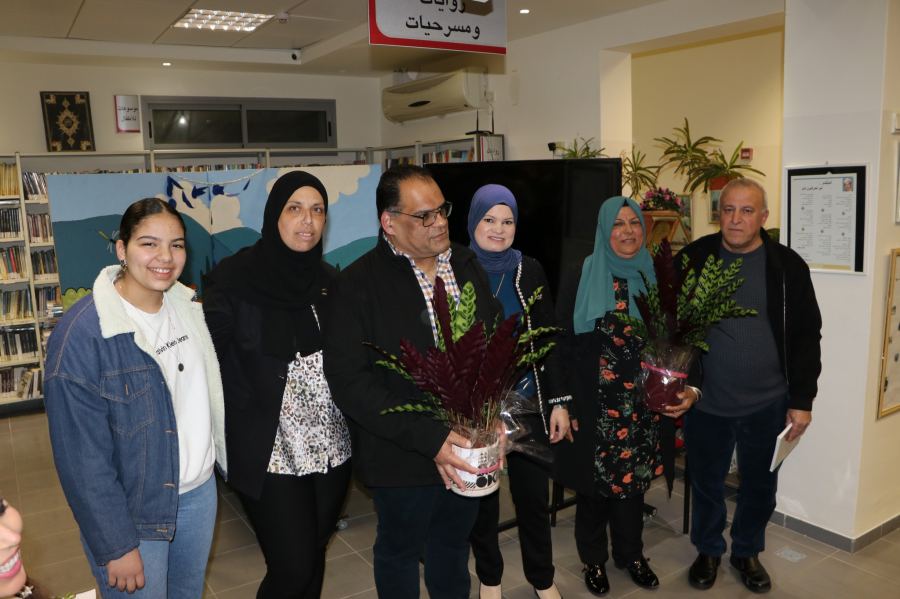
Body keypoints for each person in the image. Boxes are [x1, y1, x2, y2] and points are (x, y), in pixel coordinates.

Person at [322, 164, 500, 599]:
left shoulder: (465, 263)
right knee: (400, 552)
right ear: (389, 222)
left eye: (442, 210)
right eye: (424, 216)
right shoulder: (357, 285)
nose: (439, 222)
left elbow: (492, 346)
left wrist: (493, 415)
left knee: (452, 548)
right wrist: (430, 437)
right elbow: (349, 382)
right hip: (400, 452)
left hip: (467, 445)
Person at [44, 198, 227, 597]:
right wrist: (115, 544)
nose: (166, 257)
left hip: (198, 495)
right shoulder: (82, 336)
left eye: (176, 245)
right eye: (149, 244)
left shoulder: (189, 309)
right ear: (122, 249)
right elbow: (81, 459)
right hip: (134, 513)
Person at [203, 170, 351, 599]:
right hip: (269, 448)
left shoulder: (329, 282)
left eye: (317, 210)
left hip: (333, 445)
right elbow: (208, 362)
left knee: (314, 555)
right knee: (292, 566)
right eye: (295, 209)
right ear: (274, 216)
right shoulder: (233, 280)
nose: (307, 220)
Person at [679, 178, 822, 593]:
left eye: (746, 211)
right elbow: (672, 327)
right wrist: (680, 382)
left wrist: (802, 399)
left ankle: (746, 551)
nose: (736, 219)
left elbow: (806, 336)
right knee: (706, 483)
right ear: (718, 214)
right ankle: (708, 550)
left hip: (768, 402)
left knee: (760, 485)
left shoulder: (787, 266)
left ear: (763, 216)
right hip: (706, 400)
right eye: (728, 210)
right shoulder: (694, 259)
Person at [554, 196, 697, 596]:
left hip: (643, 406)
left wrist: (677, 382)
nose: (628, 231)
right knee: (594, 489)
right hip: (594, 402)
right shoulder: (581, 273)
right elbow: (560, 343)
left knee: (634, 486)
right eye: (617, 224)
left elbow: (680, 338)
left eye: (634, 223)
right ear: (604, 229)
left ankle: (631, 555)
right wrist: (563, 400)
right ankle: (593, 559)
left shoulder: (656, 275)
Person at [464, 184, 571, 599]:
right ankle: (489, 580)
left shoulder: (530, 269)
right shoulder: (455, 267)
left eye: (507, 221)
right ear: (474, 222)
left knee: (532, 499)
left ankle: (542, 580)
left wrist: (559, 403)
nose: (499, 229)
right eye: (489, 219)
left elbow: (549, 338)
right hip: (475, 410)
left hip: (528, 404)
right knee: (483, 503)